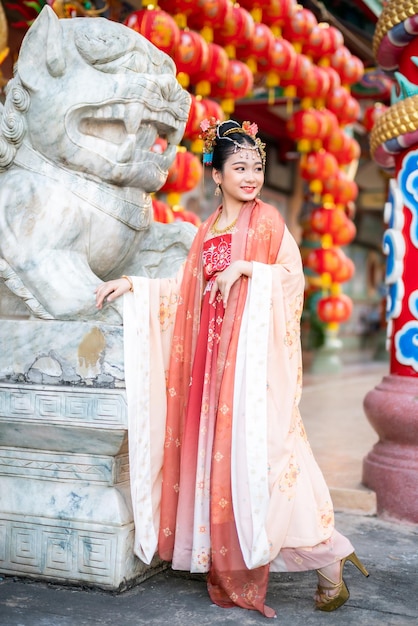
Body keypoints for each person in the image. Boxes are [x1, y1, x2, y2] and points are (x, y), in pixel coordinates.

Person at [95, 119, 369, 618]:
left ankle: (329, 551)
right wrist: (136, 285)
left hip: (250, 368)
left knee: (267, 460)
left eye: (257, 167)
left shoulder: (268, 224)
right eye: (239, 167)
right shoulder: (208, 229)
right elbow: (187, 291)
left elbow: (292, 281)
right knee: (234, 467)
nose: (251, 177)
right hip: (212, 365)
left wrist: (248, 270)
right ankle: (311, 556)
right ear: (215, 175)